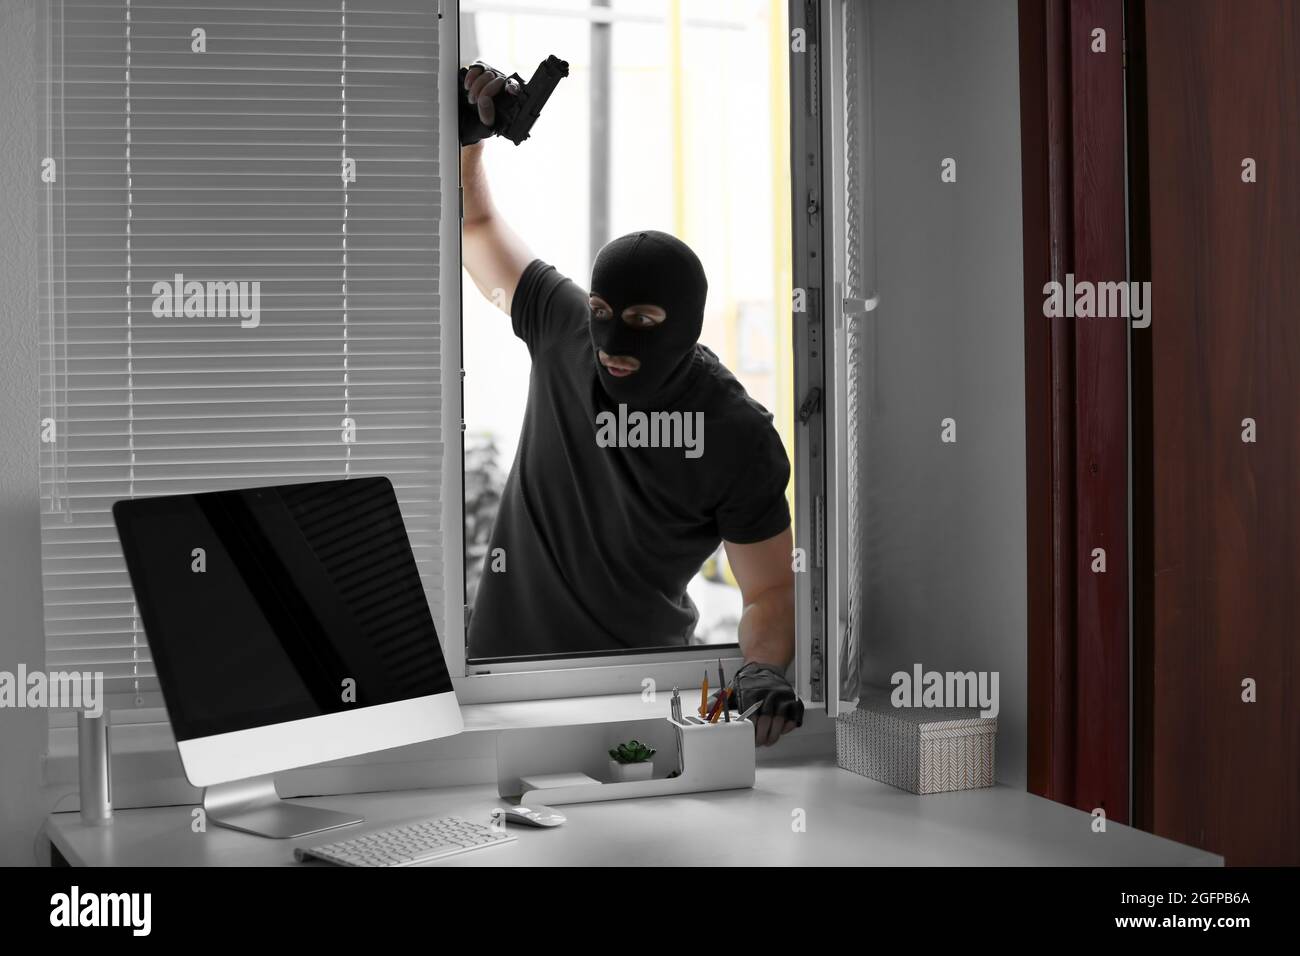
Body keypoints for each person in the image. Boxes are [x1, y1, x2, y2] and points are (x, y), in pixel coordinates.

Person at [459, 61, 803, 745]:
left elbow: (769, 591)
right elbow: (476, 224)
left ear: (685, 326)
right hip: (497, 684)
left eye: (642, 320)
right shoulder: (563, 331)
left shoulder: (737, 435)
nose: (613, 340)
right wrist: (471, 136)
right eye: (602, 312)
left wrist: (761, 670)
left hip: (636, 691)